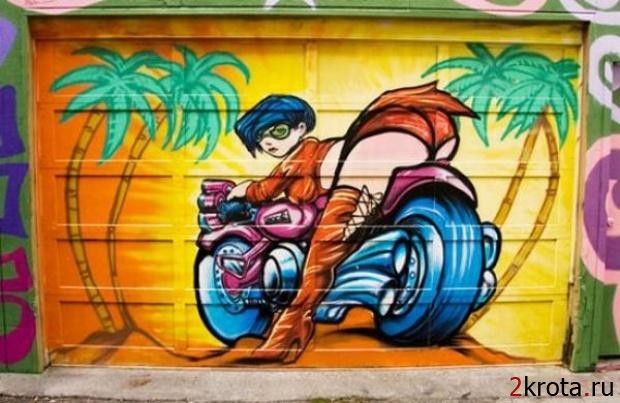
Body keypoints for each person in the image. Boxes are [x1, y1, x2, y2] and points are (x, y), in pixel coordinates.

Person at [229, 82, 477, 362]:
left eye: (279, 131)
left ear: (300, 128)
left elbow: (265, 189)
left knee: (319, 261)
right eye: (261, 138)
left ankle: (287, 337)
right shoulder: (321, 149)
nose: (270, 141)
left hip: (371, 156)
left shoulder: (302, 155)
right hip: (431, 135)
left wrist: (244, 191)